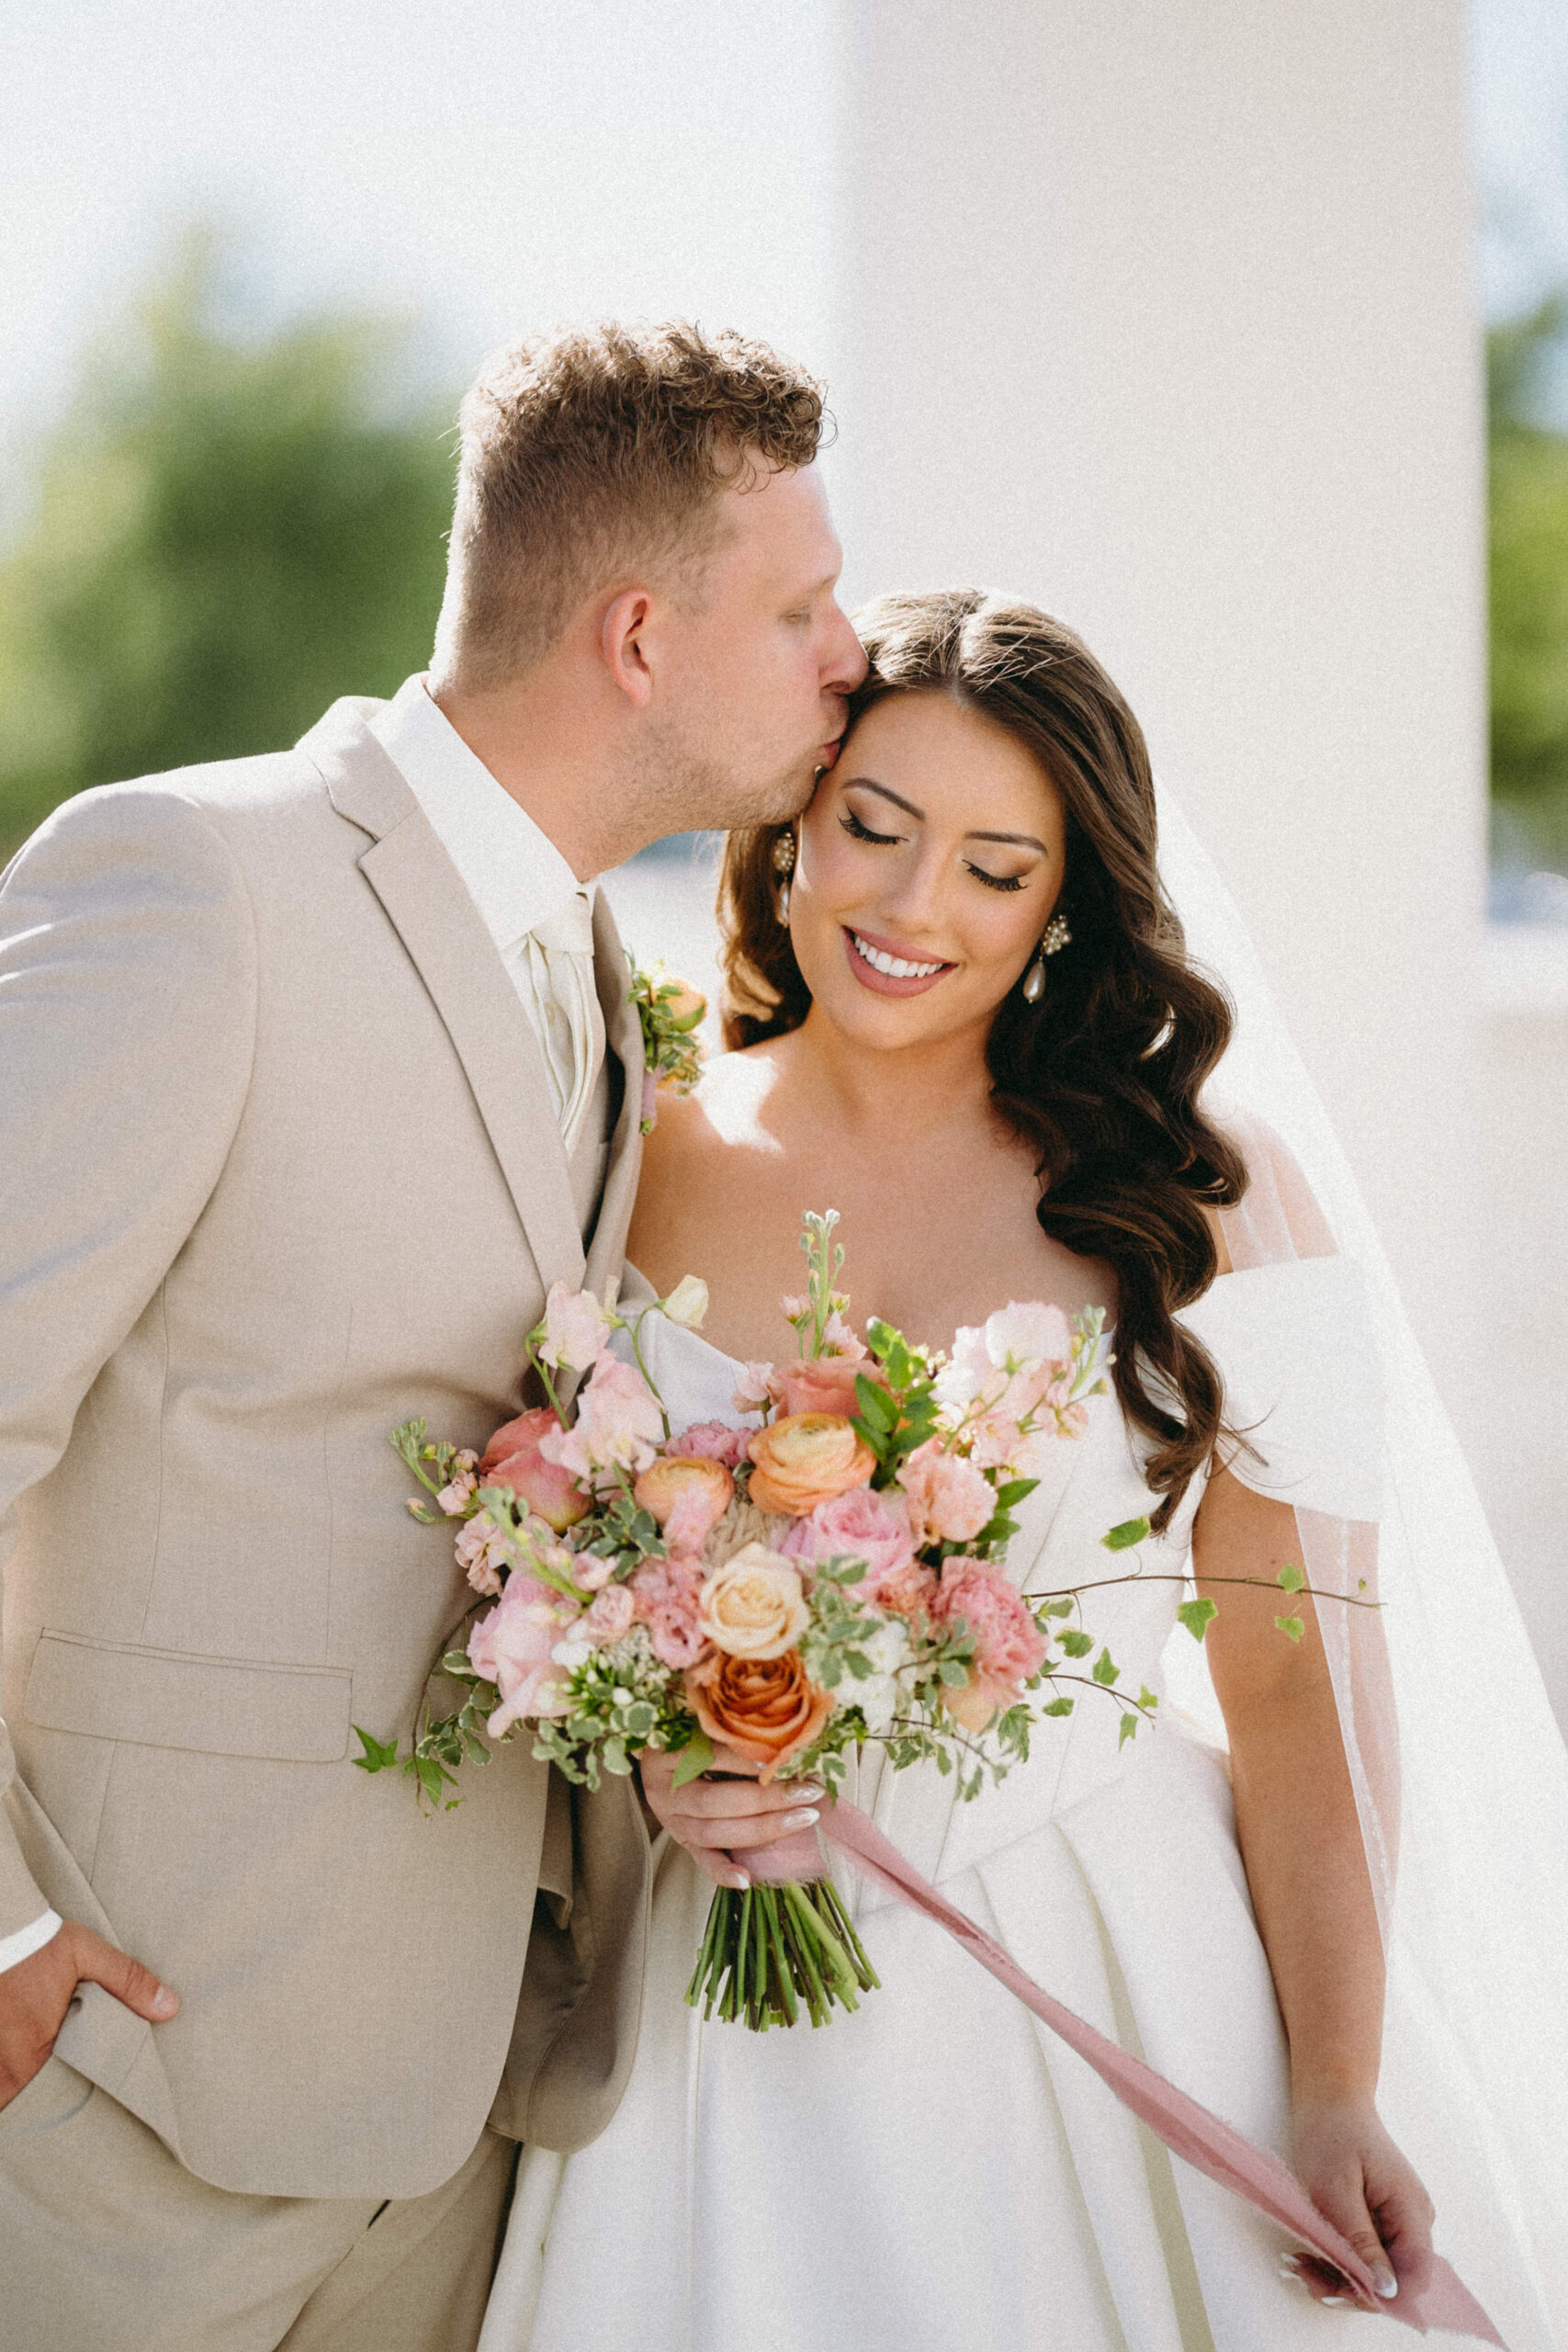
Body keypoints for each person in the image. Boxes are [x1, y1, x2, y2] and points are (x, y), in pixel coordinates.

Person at [481, 591, 1567, 2352]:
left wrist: (1340, 2081)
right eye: (876, 830)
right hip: (721, 2011)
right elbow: (554, 1551)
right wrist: (669, 1764)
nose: (913, 910)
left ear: (1066, 908)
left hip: (1106, 1963)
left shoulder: (1208, 1195)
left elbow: (1299, 1673)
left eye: (995, 867)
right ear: (794, 826)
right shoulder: (637, 1146)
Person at [0, 320, 861, 2352]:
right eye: (804, 607)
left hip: (469, 2110)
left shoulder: (596, 961)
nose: (849, 655)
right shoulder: (192, 881)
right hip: (127, 2087)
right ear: (638, 635)